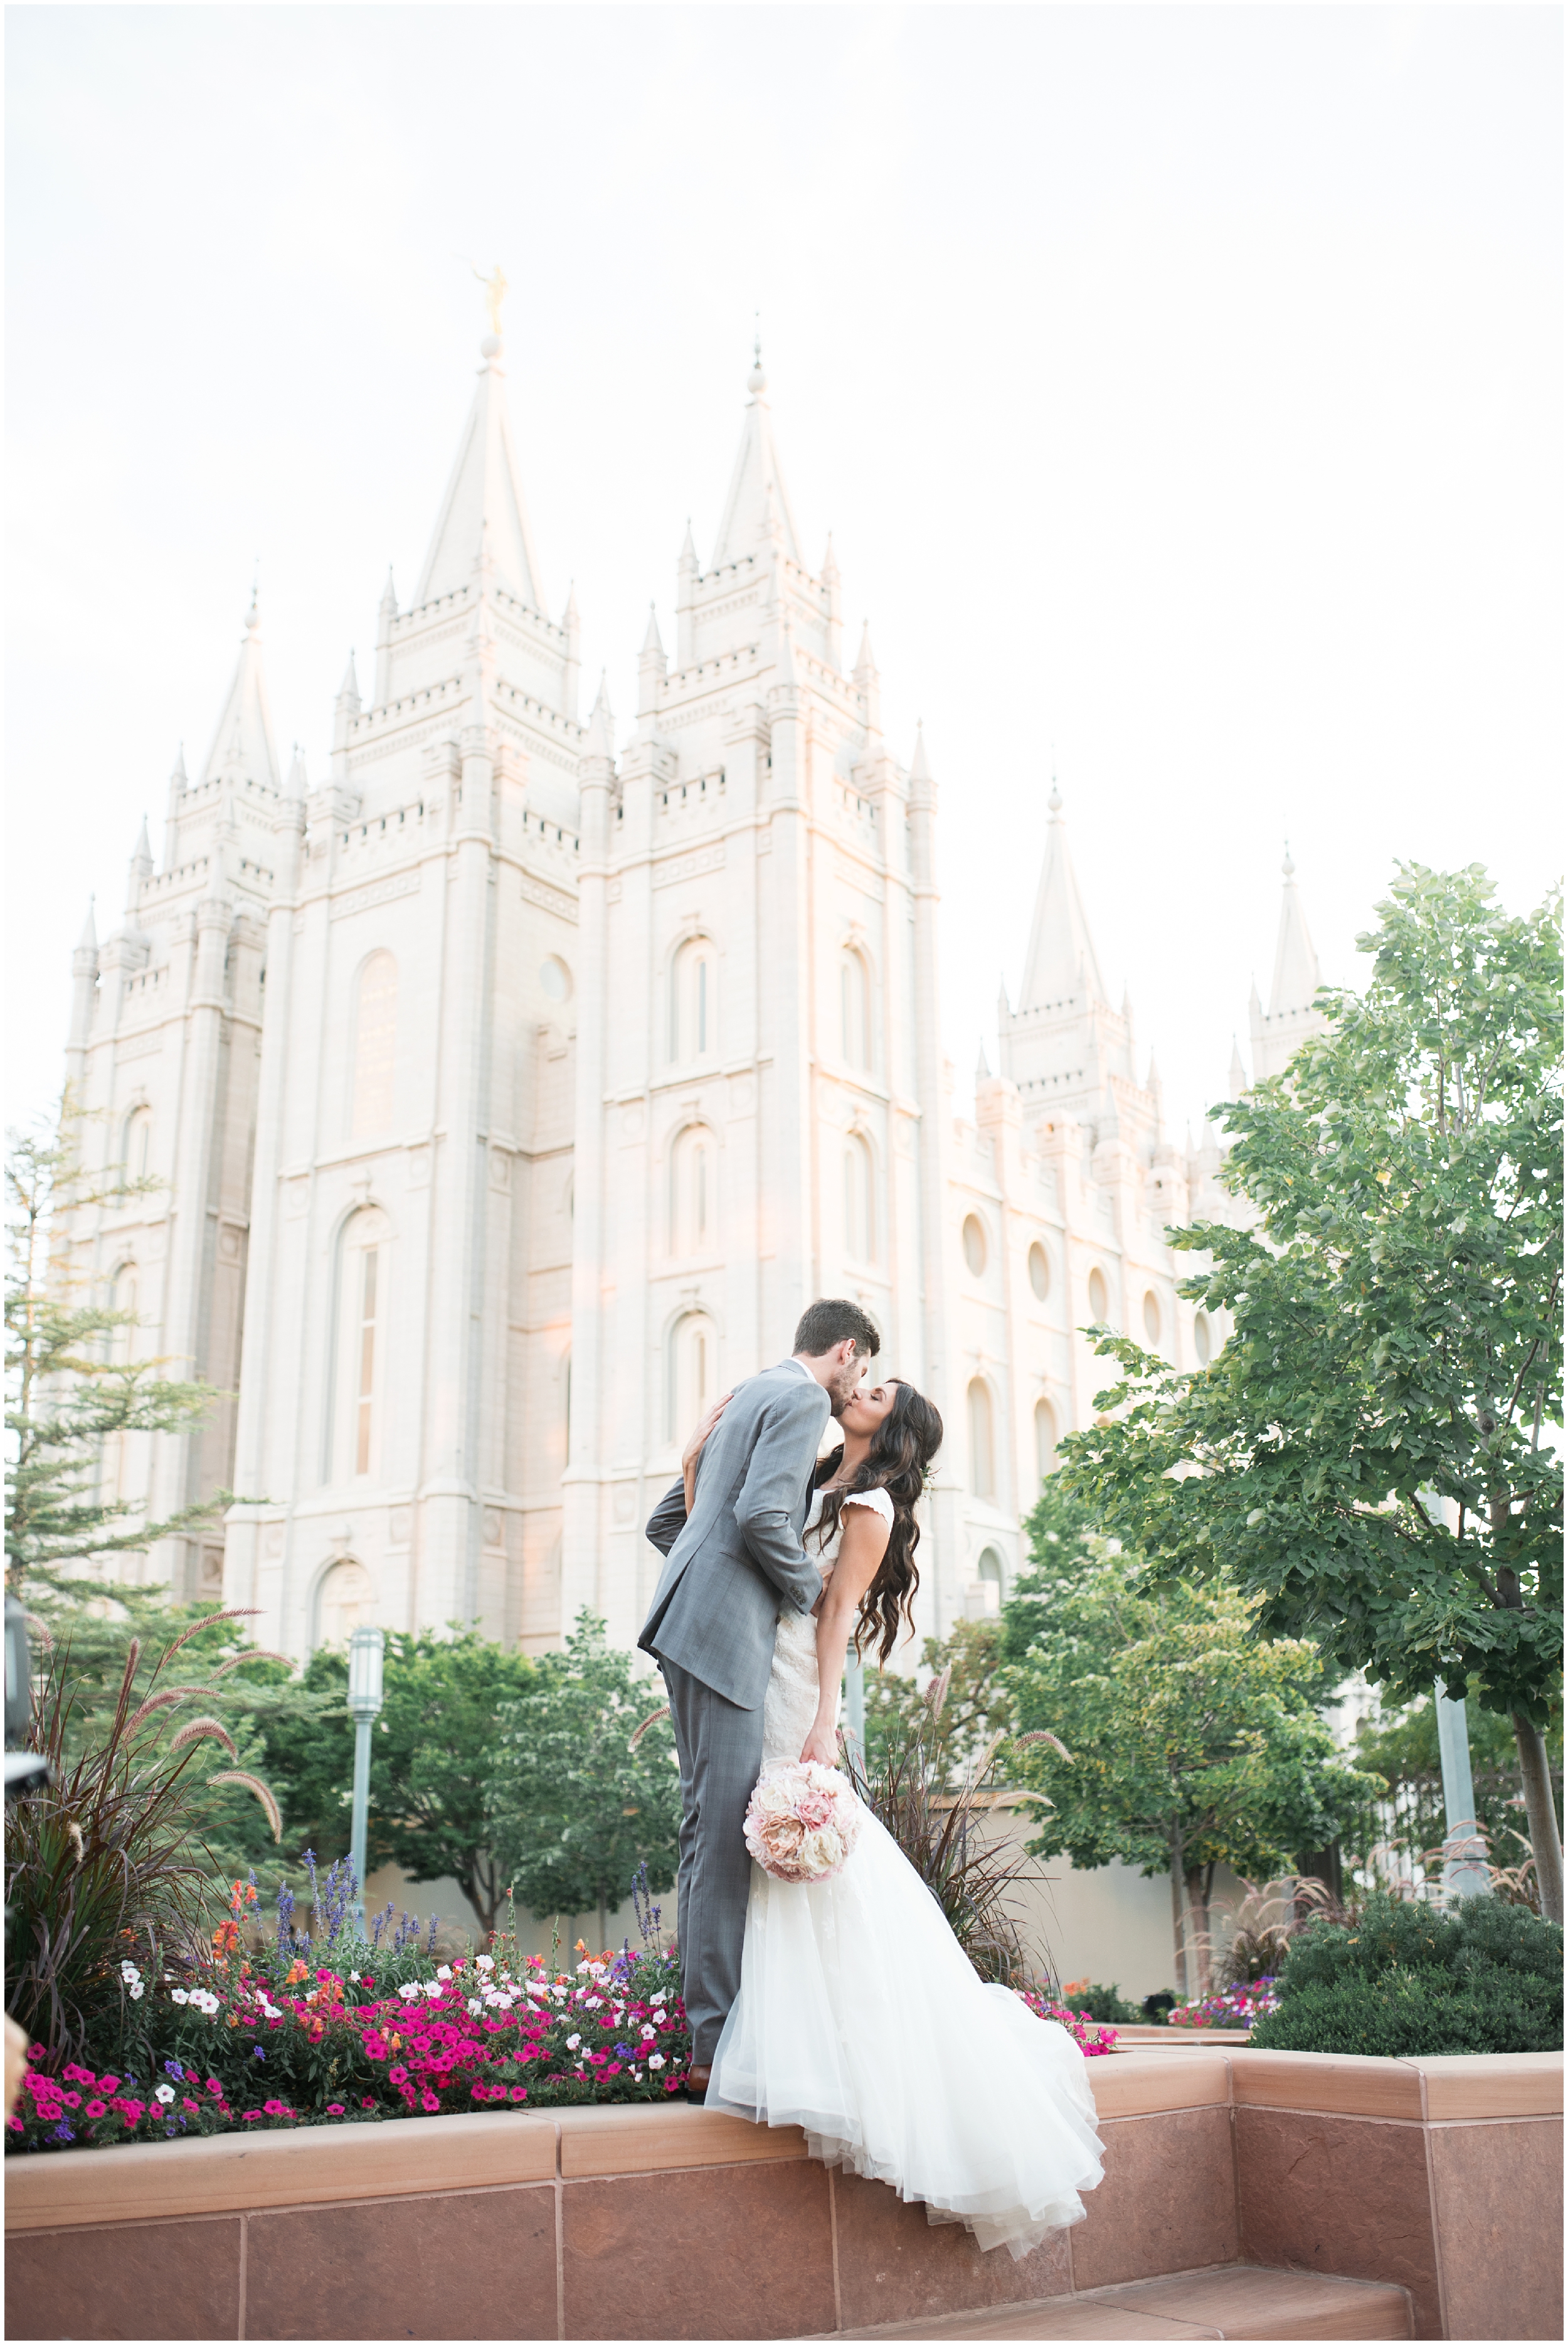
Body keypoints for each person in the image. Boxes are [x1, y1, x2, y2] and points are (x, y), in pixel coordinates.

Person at [654, 1371, 1105, 2259]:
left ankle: (805, 2050)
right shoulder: (817, 1476)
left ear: (893, 1425)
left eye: (879, 1388)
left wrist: (825, 1720)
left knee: (793, 1844)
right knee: (760, 1849)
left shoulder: (869, 1506)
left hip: (789, 1684)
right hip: (751, 1658)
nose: (860, 1387)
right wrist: (692, 1458)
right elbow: (710, 1532)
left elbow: (838, 1616)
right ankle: (777, 2036)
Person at [640, 1297, 881, 2102]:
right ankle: (713, 2043)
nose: (859, 1386)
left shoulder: (747, 1394)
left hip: (690, 1623)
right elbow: (759, 1515)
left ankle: (708, 2028)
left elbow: (671, 1522)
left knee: (704, 1826)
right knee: (717, 1835)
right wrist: (808, 1590)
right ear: (845, 1352)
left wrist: (696, 1488)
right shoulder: (803, 1399)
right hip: (720, 1641)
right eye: (864, 1370)